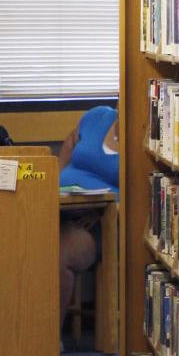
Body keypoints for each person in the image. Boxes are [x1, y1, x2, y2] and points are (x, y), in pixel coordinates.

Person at [57, 105, 119, 337]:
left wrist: (99, 207)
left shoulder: (145, 137)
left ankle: (46, 341)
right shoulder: (97, 117)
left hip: (101, 221)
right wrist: (53, 184)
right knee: (9, 239)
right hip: (59, 208)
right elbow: (68, 145)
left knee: (58, 253)